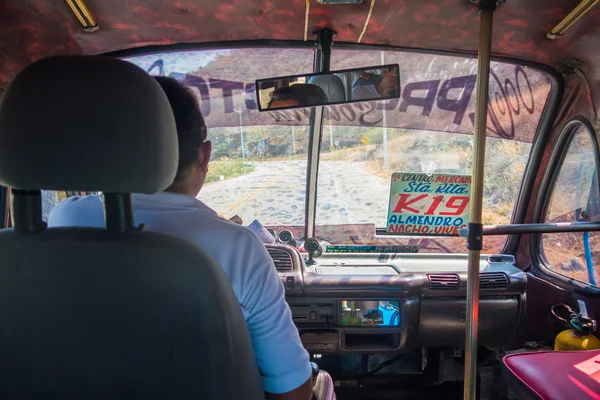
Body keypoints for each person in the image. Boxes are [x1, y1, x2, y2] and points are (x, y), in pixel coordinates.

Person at [48, 76, 334, 400]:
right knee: (321, 383)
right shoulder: (237, 248)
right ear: (204, 155)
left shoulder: (63, 219)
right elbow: (291, 393)